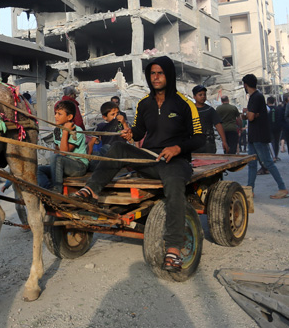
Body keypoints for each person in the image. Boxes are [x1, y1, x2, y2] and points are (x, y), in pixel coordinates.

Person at [71, 56, 204, 272]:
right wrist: (131, 133)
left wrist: (178, 148)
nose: (156, 77)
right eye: (152, 73)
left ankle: (174, 248)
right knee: (117, 148)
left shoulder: (185, 104)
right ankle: (92, 190)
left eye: (160, 73)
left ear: (169, 75)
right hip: (150, 157)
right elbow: (141, 131)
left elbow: (199, 137)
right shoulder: (144, 103)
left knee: (174, 184)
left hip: (176, 162)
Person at [242, 74, 288, 198]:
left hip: (258, 135)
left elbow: (250, 117)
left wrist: (246, 115)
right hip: (254, 136)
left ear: (245, 85)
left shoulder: (256, 97)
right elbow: (253, 115)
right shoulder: (255, 96)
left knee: (267, 162)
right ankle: (249, 190)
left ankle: (282, 188)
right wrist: (251, 114)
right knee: (252, 164)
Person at [36, 100, 89, 194]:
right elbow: (57, 150)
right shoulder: (57, 130)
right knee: (39, 169)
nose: (55, 116)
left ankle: (57, 190)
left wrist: (65, 132)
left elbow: (64, 152)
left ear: (69, 117)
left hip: (78, 166)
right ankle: (48, 190)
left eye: (59, 114)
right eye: (56, 113)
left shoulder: (77, 130)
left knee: (58, 158)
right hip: (63, 165)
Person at [192, 85, 229, 154]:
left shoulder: (210, 110)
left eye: (204, 95)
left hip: (208, 144)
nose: (203, 96)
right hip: (194, 143)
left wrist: (224, 141)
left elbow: (218, 125)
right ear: (194, 96)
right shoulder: (189, 110)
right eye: (200, 95)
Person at [268, 96, 286, 162]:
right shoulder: (278, 109)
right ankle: (275, 155)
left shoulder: (266, 109)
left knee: (271, 142)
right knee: (276, 142)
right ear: (274, 101)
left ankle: (273, 156)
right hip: (278, 128)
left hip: (269, 128)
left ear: (267, 101)